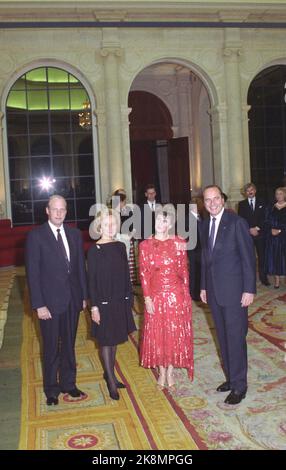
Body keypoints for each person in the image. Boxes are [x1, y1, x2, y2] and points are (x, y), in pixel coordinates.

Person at [25, 195, 88, 406]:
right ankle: (51, 389)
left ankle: (69, 383)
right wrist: (38, 304)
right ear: (47, 210)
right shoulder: (36, 236)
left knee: (69, 344)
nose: (59, 213)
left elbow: (80, 269)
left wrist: (84, 296)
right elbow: (32, 274)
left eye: (62, 209)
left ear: (66, 210)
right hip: (48, 303)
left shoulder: (75, 234)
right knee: (51, 346)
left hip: (72, 299)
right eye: (55, 209)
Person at [200, 185, 256, 405]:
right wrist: (204, 286)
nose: (212, 203)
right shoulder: (204, 226)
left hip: (235, 293)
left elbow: (248, 259)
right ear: (203, 203)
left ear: (222, 200)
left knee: (235, 338)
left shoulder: (237, 223)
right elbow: (206, 260)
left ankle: (240, 385)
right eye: (207, 200)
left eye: (215, 199)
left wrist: (249, 289)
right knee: (222, 337)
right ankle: (231, 379)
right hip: (214, 291)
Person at [139, 211, 193, 390]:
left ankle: (170, 371)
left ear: (170, 224)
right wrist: (147, 298)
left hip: (175, 293)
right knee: (158, 332)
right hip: (155, 295)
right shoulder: (145, 245)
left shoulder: (179, 242)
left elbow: (184, 271)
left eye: (164, 221)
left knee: (172, 331)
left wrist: (186, 295)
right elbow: (144, 274)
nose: (160, 224)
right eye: (157, 220)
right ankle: (161, 371)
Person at [87, 209, 136, 401]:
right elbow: (92, 281)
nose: (110, 227)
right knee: (106, 341)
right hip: (104, 302)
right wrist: (95, 306)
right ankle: (110, 380)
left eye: (113, 223)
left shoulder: (119, 246)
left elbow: (126, 274)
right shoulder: (94, 250)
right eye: (106, 224)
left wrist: (129, 297)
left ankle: (110, 373)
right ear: (99, 227)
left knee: (114, 339)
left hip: (119, 300)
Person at [238, 182, 270, 286]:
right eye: (248, 190)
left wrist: (257, 228)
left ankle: (263, 278)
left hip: (260, 234)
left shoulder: (263, 202)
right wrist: (249, 229)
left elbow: (265, 217)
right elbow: (241, 220)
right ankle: (250, 280)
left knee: (262, 257)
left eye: (251, 189)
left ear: (255, 190)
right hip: (248, 235)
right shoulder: (241, 204)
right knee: (249, 258)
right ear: (245, 193)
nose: (250, 192)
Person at [264, 187, 286, 289]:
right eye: (277, 194)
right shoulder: (271, 207)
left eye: (281, 193)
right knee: (275, 258)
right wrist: (271, 230)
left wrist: (280, 231)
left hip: (284, 236)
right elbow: (266, 222)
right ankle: (276, 281)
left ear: (284, 195)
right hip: (273, 238)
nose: (278, 196)